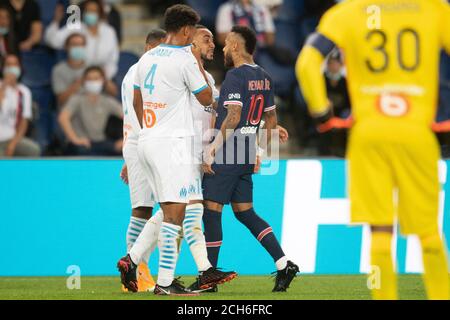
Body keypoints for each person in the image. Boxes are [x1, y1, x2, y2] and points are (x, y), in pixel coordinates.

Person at [296, 0, 450, 300]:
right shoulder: (434, 9)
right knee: (429, 233)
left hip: (368, 133)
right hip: (415, 131)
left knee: (379, 233)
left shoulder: (346, 13)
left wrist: (322, 111)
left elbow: (306, 62)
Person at [117, 4, 237, 296]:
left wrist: (149, 127)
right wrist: (196, 65)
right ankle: (163, 282)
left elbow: (137, 99)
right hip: (171, 145)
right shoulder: (184, 59)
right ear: (186, 30)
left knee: (175, 211)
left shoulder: (146, 57)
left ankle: (152, 267)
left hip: (147, 140)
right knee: (174, 215)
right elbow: (206, 97)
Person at [202, 25, 299, 293]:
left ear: (235, 46)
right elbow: (271, 120)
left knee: (212, 211)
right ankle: (283, 263)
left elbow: (233, 116)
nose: (222, 49)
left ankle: (209, 277)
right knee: (246, 213)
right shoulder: (265, 77)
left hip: (228, 152)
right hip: (245, 153)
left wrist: (213, 148)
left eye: (225, 45)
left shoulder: (235, 76)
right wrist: (258, 152)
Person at [118, 28, 167, 293]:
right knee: (143, 208)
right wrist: (138, 147)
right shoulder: (139, 72)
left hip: (138, 144)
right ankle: (135, 271)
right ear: (149, 48)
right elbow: (138, 114)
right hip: (144, 143)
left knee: (152, 208)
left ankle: (137, 269)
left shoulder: (140, 72)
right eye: (160, 49)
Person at [45, 0, 119, 79]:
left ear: (100, 13)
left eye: (94, 11)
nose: (90, 14)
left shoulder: (109, 31)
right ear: (83, 12)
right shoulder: (75, 27)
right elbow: (53, 41)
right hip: (78, 77)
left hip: (102, 78)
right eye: (88, 11)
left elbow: (113, 59)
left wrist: (103, 77)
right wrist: (56, 21)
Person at [58, 66, 123, 156]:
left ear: (103, 81)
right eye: (89, 79)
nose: (93, 82)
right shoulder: (77, 99)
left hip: (101, 142)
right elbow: (63, 118)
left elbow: (129, 117)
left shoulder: (107, 101)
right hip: (82, 143)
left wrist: (125, 139)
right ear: (83, 81)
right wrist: (74, 139)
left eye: (96, 78)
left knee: (124, 150)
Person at [51, 33, 117, 111]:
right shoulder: (58, 70)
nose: (78, 47)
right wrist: (80, 82)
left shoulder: (93, 66)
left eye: (81, 44)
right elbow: (61, 100)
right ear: (66, 47)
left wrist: (104, 79)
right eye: (74, 44)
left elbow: (114, 93)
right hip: (72, 112)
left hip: (95, 109)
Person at [0, 54, 40, 157]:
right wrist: (4, 87)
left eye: (15, 65)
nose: (12, 68)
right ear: (3, 68)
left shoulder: (24, 91)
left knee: (34, 150)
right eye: (8, 65)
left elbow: (24, 121)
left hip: (11, 137)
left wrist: (13, 144)